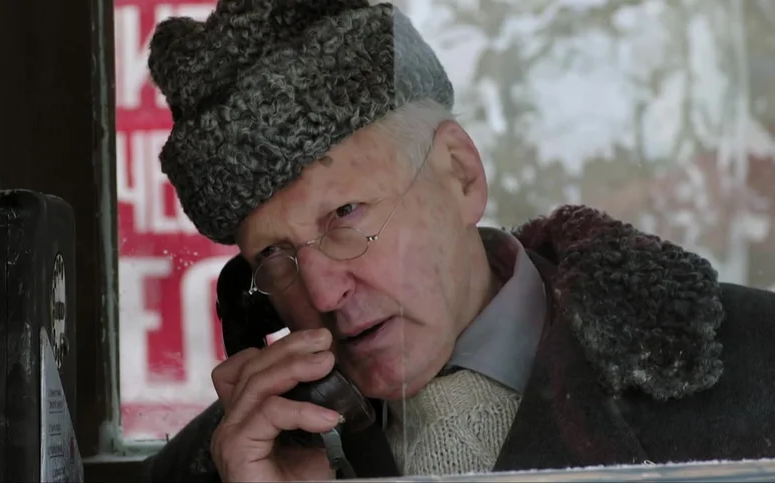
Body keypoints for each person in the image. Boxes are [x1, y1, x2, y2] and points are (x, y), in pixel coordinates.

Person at [140, 1, 775, 481]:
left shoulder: (756, 367)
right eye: (274, 258)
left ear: (460, 174)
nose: (324, 294)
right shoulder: (232, 459)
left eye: (345, 214)